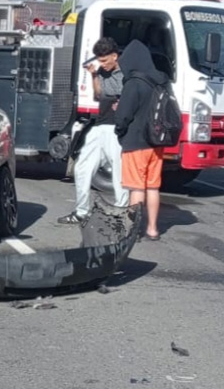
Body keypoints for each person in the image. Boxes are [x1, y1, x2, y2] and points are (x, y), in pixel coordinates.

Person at [59, 38, 129, 224]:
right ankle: (81, 211)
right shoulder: (101, 71)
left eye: (105, 61)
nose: (103, 65)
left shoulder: (126, 72)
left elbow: (112, 93)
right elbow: (99, 95)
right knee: (82, 167)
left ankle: (121, 213)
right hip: (100, 123)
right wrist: (93, 75)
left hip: (117, 128)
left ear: (115, 56)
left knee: (118, 172)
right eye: (100, 61)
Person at [114, 40, 167, 241]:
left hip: (135, 142)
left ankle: (132, 231)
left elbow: (122, 117)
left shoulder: (133, 83)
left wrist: (120, 132)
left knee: (136, 188)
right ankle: (153, 229)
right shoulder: (161, 81)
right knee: (153, 187)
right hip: (157, 142)